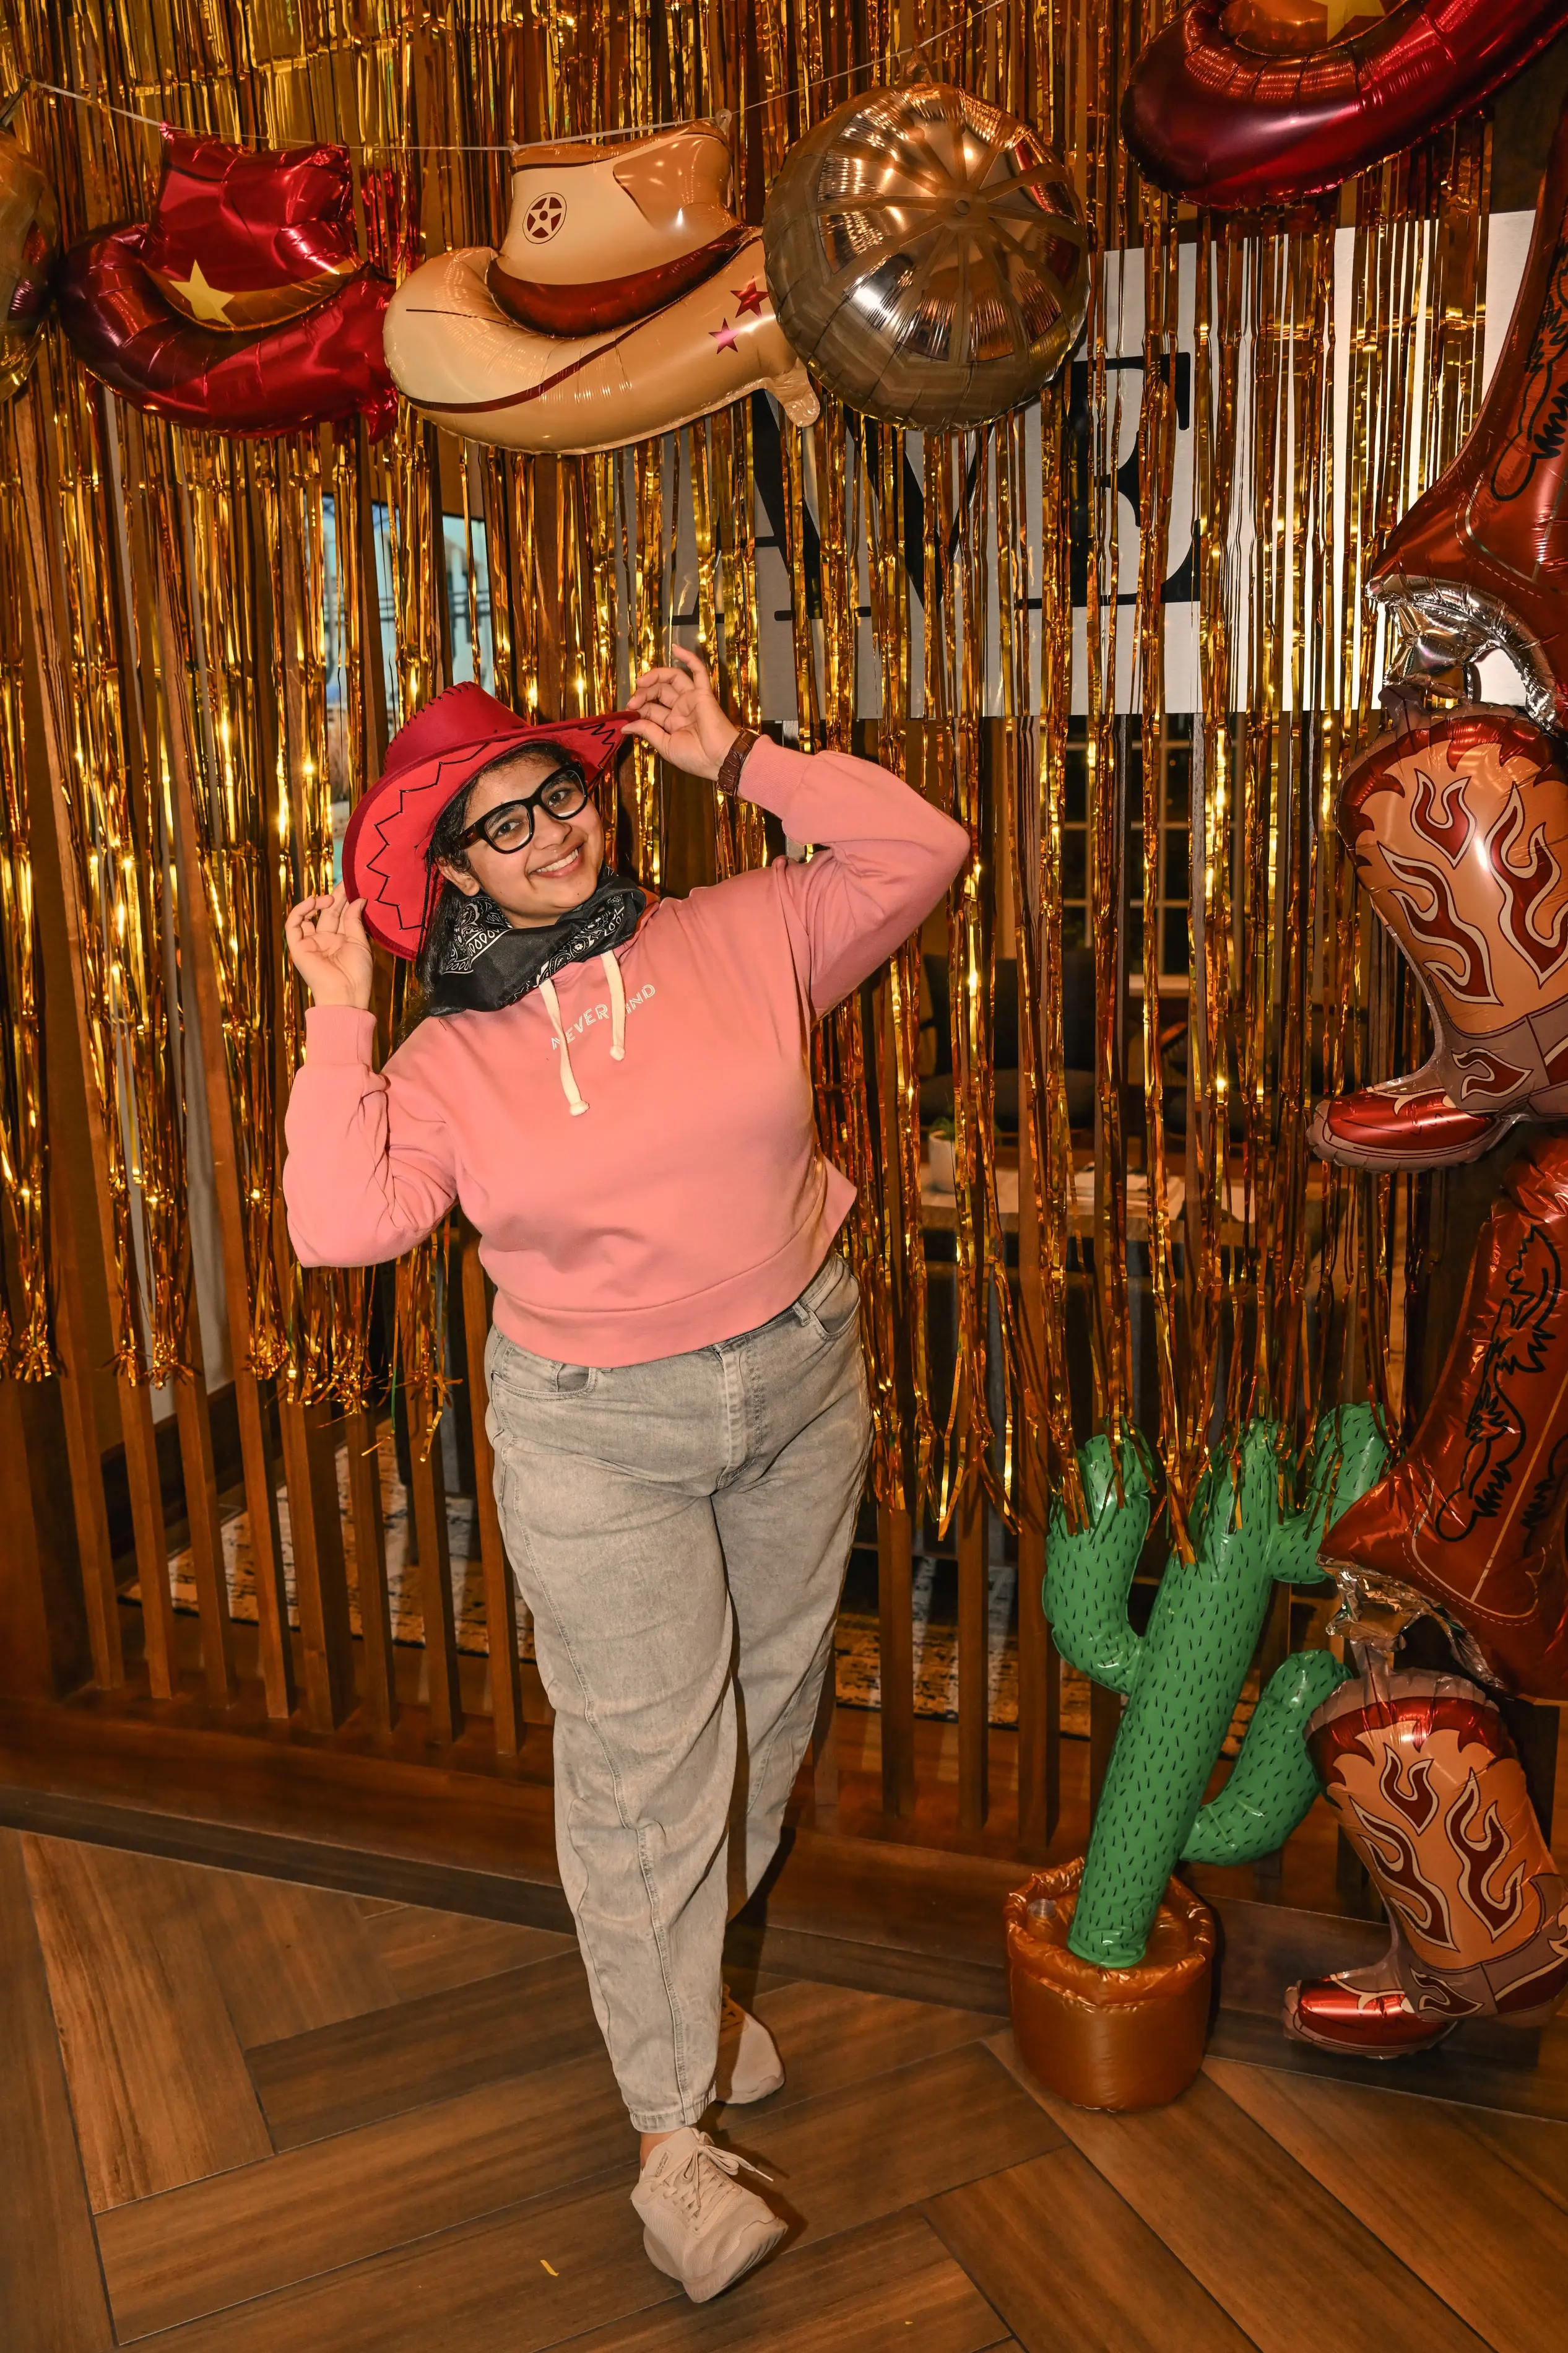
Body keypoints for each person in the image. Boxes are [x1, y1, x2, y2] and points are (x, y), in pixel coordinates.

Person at [282, 646, 966, 2303]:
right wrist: (335, 1023)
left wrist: (745, 758)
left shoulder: (745, 928)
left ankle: (683, 1994)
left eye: (558, 797)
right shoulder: (444, 1062)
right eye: (496, 825)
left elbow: (920, 853)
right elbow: (337, 1224)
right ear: (448, 871)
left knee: (773, 1717)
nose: (545, 836)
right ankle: (670, 2134)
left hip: (796, 1379)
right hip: (601, 1433)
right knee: (648, 1765)